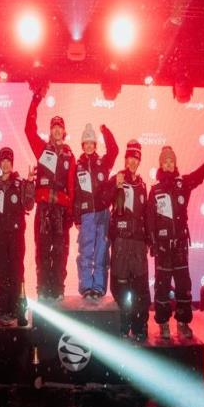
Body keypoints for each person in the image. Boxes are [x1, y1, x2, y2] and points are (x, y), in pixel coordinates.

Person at [147, 141, 204, 339]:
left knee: (183, 286)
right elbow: (150, 219)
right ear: (161, 164)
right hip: (163, 248)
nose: (168, 164)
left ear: (175, 163)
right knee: (162, 287)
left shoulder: (183, 183)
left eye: (171, 161)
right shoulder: (155, 190)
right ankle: (163, 324)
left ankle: (182, 323)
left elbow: (203, 173)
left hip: (179, 246)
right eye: (165, 161)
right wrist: (152, 243)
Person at [25, 89, 75, 301]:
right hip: (44, 209)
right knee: (43, 251)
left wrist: (71, 212)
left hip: (62, 211)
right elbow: (28, 129)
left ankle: (58, 289)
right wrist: (35, 100)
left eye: (60, 127)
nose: (56, 130)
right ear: (50, 130)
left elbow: (72, 185)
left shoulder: (70, 155)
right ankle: (43, 290)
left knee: (60, 252)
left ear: (64, 131)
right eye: (54, 126)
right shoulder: (42, 149)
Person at [102, 139, 150, 341]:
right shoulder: (117, 178)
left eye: (136, 159)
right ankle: (122, 324)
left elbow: (147, 214)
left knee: (140, 288)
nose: (133, 162)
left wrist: (149, 240)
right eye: (130, 158)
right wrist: (115, 186)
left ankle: (140, 326)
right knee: (120, 286)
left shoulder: (142, 185)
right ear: (125, 159)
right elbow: (104, 200)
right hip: (121, 242)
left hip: (138, 244)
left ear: (139, 161)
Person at [0, 147, 35, 325]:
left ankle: (17, 306)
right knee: (0, 272)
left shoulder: (20, 183)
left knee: (16, 271)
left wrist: (30, 184)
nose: (6, 164)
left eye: (8, 161)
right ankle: (2, 308)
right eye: (3, 161)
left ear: (12, 163)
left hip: (16, 235)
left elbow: (29, 205)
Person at [74, 123, 119, 299]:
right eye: (86, 143)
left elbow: (114, 150)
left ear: (95, 144)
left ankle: (99, 287)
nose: (89, 146)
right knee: (86, 252)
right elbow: (75, 193)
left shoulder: (103, 163)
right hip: (86, 215)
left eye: (91, 143)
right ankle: (86, 287)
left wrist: (105, 132)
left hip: (103, 213)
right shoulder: (77, 167)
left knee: (101, 251)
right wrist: (76, 217)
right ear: (82, 145)